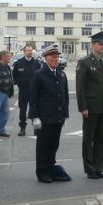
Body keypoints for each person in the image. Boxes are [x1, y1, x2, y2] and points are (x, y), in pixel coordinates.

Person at [76, 30, 103, 179]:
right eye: (100, 44)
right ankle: (90, 168)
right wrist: (83, 107)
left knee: (101, 139)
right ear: (93, 44)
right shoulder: (85, 62)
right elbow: (81, 87)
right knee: (89, 139)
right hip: (91, 107)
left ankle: (99, 167)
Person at [29, 45, 70, 183]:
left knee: (53, 145)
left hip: (57, 116)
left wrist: (65, 113)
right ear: (46, 58)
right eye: (53, 57)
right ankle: (42, 172)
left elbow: (64, 95)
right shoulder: (39, 74)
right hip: (44, 117)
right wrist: (34, 117)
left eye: (57, 57)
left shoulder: (61, 73)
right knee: (43, 146)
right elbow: (33, 97)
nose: (55, 59)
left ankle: (51, 169)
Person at [12, 45, 41, 136]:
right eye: (28, 50)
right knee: (23, 110)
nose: (30, 52)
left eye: (31, 50)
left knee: (35, 110)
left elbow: (41, 76)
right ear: (24, 52)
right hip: (23, 90)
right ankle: (22, 128)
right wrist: (18, 83)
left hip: (34, 91)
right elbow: (14, 75)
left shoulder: (36, 63)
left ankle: (36, 128)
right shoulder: (19, 63)